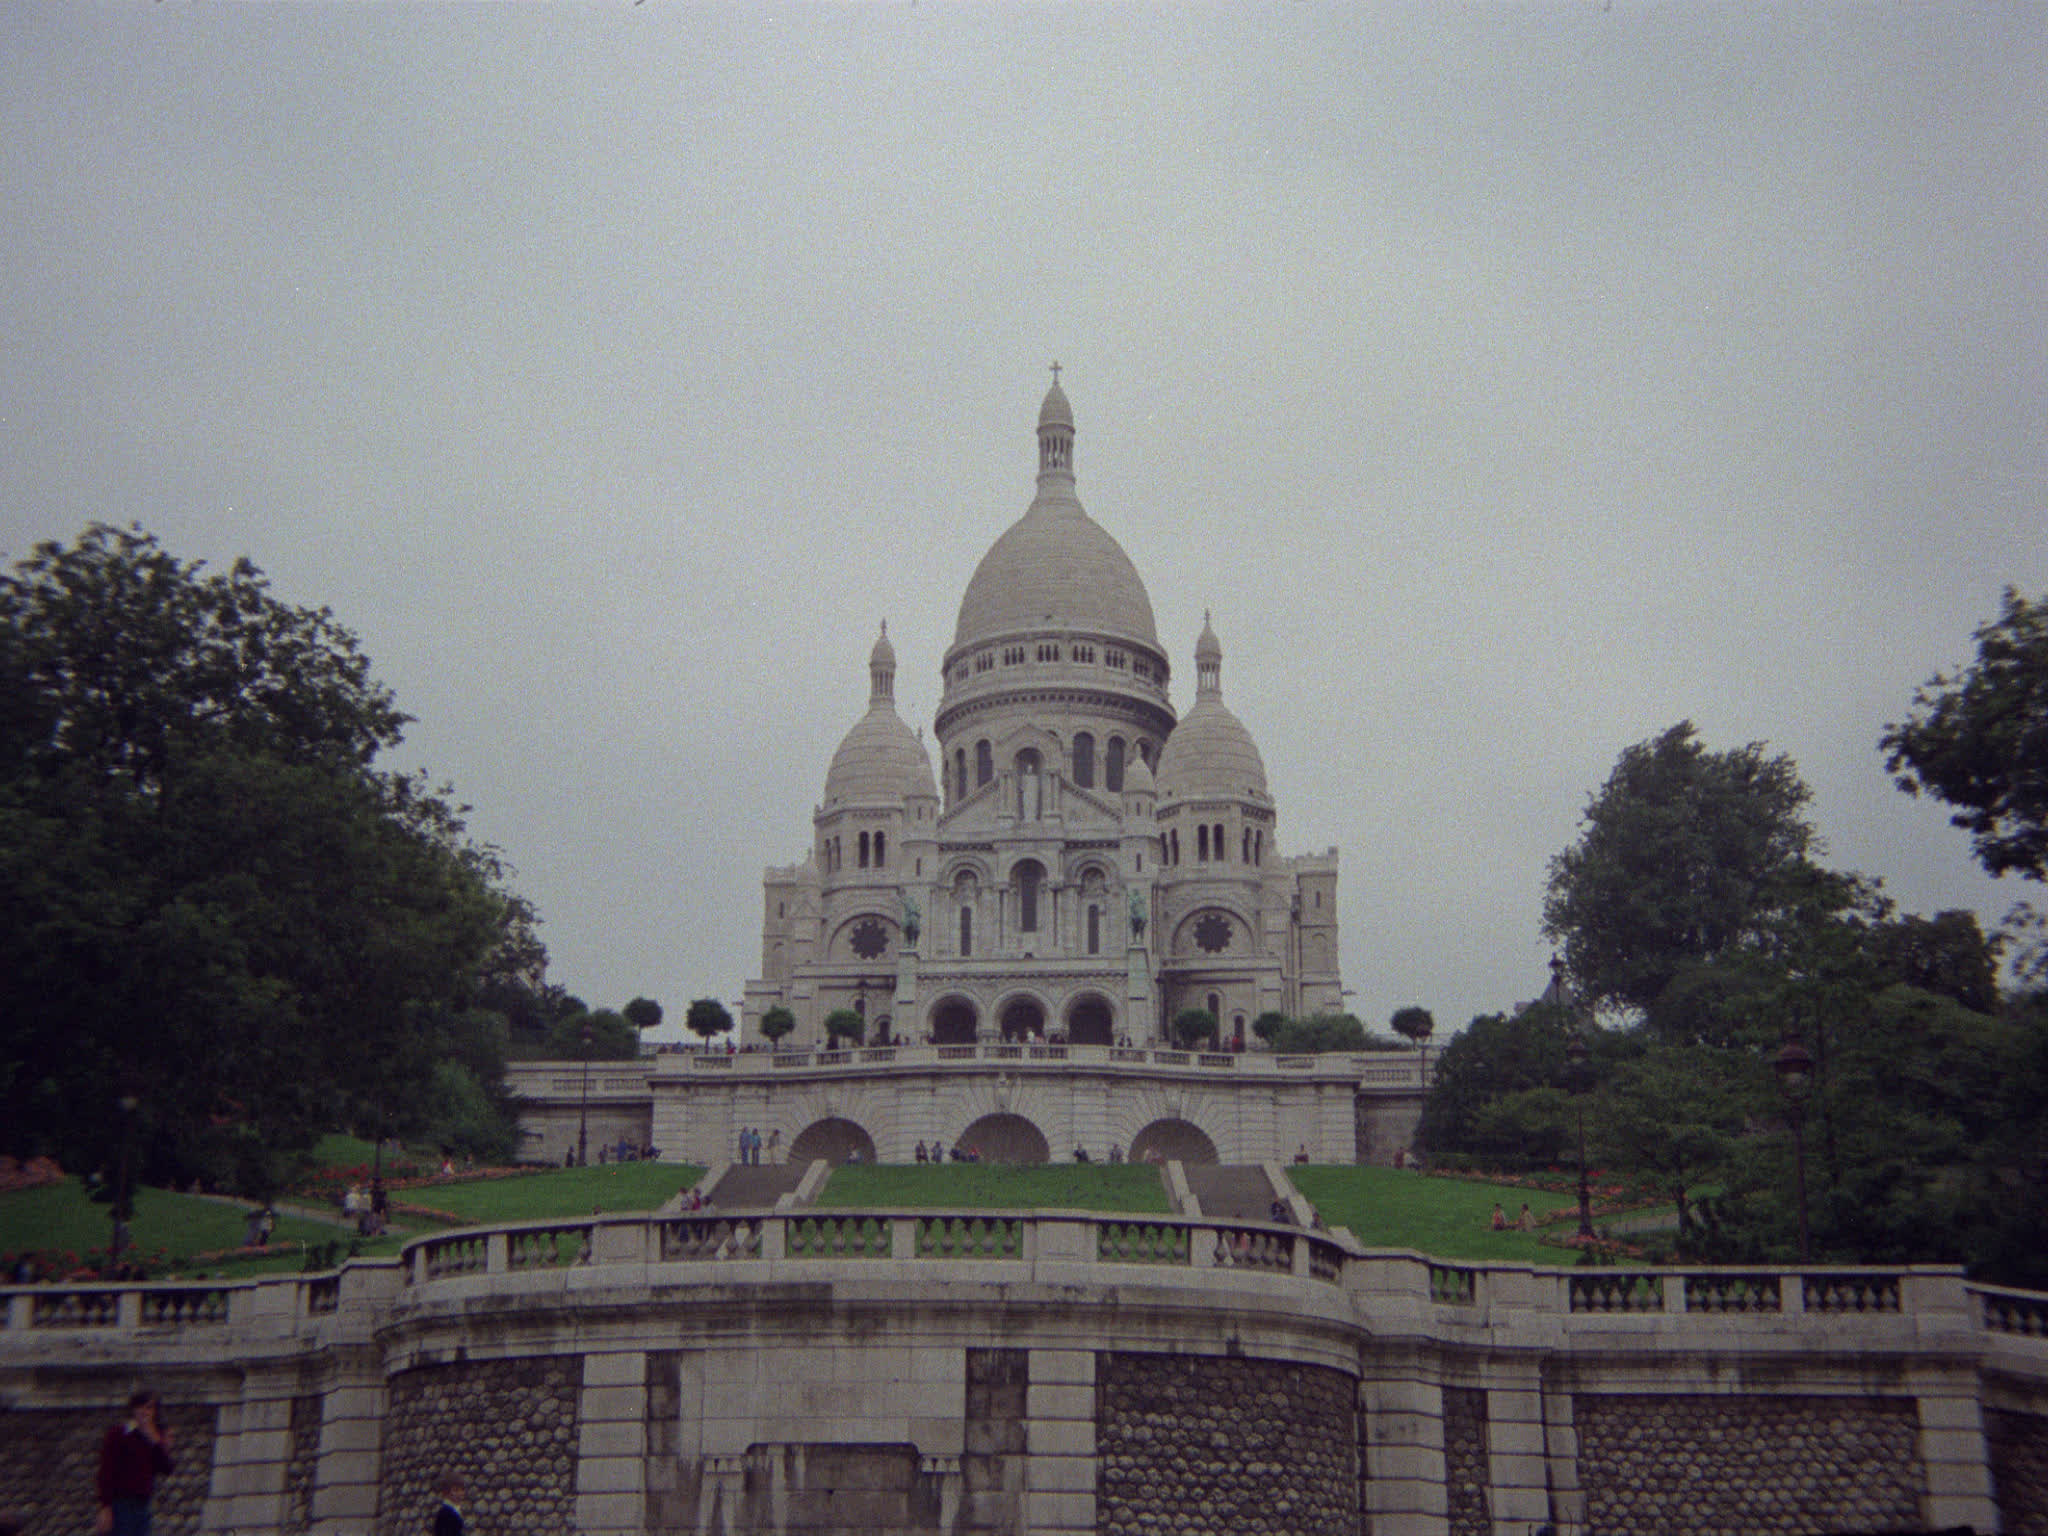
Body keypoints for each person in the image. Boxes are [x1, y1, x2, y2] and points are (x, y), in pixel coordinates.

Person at [96, 1387, 174, 1536]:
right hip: (120, 1504)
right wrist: (105, 1507)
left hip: (142, 1505)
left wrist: (156, 1443)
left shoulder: (154, 1437)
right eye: (140, 1407)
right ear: (133, 1409)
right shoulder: (118, 1434)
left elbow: (166, 1468)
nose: (144, 1412)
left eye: (149, 1408)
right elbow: (106, 1471)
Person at [432, 1471, 466, 1536]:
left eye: (462, 1490)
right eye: (455, 1490)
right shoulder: (445, 1513)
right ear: (446, 1492)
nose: (460, 1494)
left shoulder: (455, 1509)